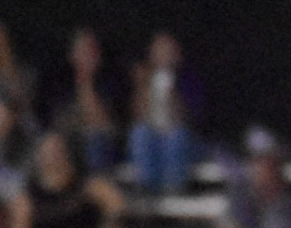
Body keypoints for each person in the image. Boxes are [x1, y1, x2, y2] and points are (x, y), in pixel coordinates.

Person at [129, 31, 200, 193]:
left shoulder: (189, 79)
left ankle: (173, 189)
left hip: (182, 136)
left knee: (177, 137)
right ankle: (147, 189)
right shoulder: (145, 78)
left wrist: (172, 93)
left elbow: (190, 119)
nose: (163, 54)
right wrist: (143, 86)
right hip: (153, 136)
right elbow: (137, 116)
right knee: (140, 133)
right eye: (159, 49)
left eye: (168, 50)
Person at [53, 26, 124, 175]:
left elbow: (103, 124)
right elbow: (59, 124)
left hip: (103, 145)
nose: (89, 54)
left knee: (95, 139)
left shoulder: (111, 81)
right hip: (70, 140)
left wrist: (86, 81)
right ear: (72, 55)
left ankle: (96, 186)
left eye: (92, 49)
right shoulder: (60, 83)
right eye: (83, 49)